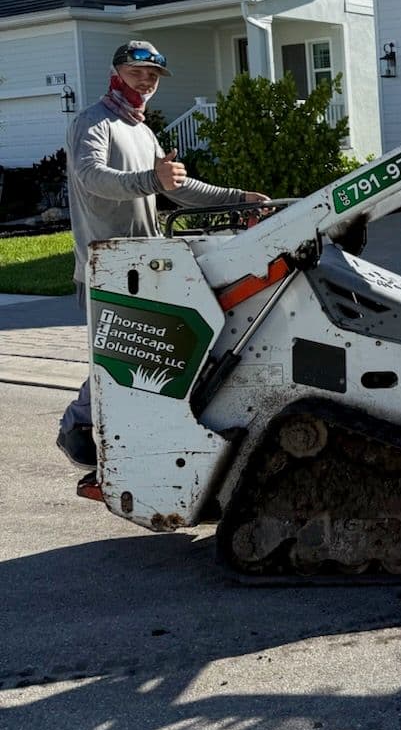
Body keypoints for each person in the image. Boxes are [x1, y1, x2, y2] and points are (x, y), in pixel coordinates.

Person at [57, 40, 268, 471]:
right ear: (116, 72)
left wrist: (238, 199)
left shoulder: (142, 130)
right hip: (106, 265)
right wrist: (149, 178)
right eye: (137, 73)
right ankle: (75, 428)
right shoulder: (93, 123)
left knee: (150, 352)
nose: (146, 82)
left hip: (144, 262)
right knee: (120, 354)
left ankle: (134, 436)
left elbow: (174, 187)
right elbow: (92, 176)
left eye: (152, 76)